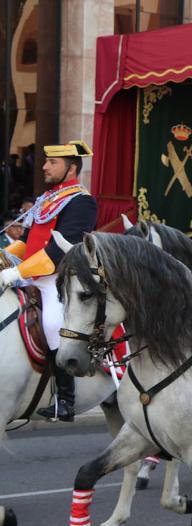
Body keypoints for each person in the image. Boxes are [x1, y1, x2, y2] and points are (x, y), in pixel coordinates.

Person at [0, 140, 97, 422]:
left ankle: (64, 400)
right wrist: (4, 256)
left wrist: (17, 273)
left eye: (52, 162)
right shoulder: (48, 197)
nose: (44, 166)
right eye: (46, 161)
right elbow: (28, 241)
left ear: (72, 168)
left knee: (54, 323)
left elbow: (57, 251)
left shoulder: (82, 201)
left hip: (59, 280)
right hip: (32, 274)